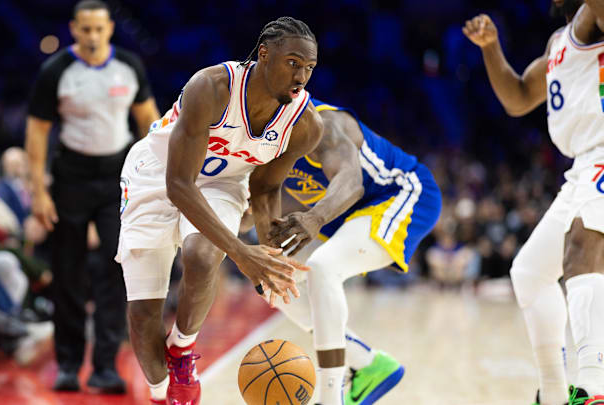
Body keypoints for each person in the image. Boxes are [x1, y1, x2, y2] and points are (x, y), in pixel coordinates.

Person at [117, 16, 323, 405]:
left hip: (221, 184)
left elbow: (264, 188)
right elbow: (178, 185)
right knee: (144, 312)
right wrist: (243, 254)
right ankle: (162, 396)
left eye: (309, 68)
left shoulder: (305, 124)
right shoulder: (211, 87)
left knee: (203, 252)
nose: (301, 76)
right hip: (157, 174)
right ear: (264, 54)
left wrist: (268, 258)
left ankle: (182, 350)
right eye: (293, 63)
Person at [463, 1, 604, 403]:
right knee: (528, 272)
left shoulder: (594, 16)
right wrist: (491, 47)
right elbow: (519, 98)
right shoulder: (560, 40)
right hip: (582, 165)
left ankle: (594, 388)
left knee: (582, 245)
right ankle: (555, 394)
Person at [265, 99, 441, 405]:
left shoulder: (323, 125)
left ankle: (330, 398)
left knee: (322, 267)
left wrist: (314, 217)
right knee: (274, 279)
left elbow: (351, 183)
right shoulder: (256, 140)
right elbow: (245, 208)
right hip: (344, 215)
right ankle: (369, 363)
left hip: (398, 193)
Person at [24, 0, 160, 393]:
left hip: (117, 178)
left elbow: (150, 124)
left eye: (99, 29)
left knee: (117, 270)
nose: (93, 36)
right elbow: (36, 134)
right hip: (70, 177)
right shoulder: (56, 71)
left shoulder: (129, 66)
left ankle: (105, 366)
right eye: (85, 29)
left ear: (109, 30)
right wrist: (39, 192)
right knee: (67, 272)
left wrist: (150, 180)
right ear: (74, 29)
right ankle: (67, 363)